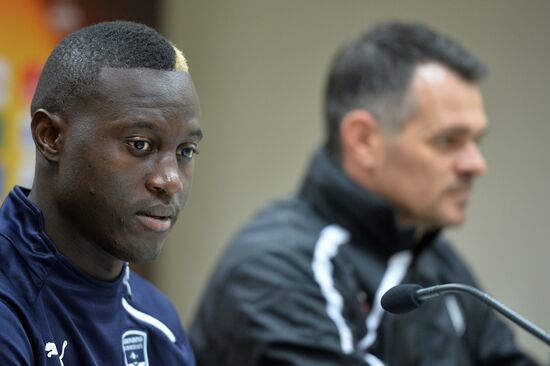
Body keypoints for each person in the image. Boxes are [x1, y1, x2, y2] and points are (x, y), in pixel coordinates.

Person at [190, 21, 538, 365]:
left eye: (476, 142)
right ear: (363, 141)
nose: (476, 164)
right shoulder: (274, 268)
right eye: (449, 140)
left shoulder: (436, 260)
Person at [0, 21, 202, 365]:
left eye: (185, 151)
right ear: (50, 136)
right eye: (139, 144)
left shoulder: (158, 319)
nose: (170, 180)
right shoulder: (10, 305)